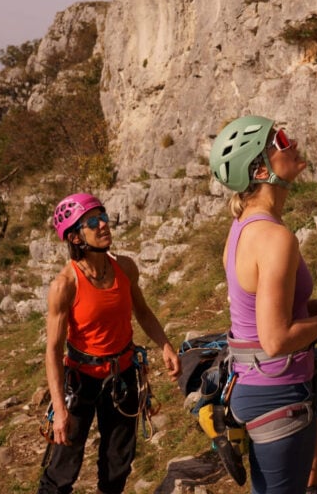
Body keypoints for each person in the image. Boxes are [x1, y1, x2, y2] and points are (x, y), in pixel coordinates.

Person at [209, 116, 317, 494]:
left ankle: (312, 481)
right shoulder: (274, 238)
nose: (291, 141)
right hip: (277, 392)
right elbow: (277, 338)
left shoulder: (244, 226)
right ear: (261, 168)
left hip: (254, 382)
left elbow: (273, 309)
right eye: (280, 139)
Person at [37, 192, 182, 494]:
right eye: (93, 221)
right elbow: (52, 350)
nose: (103, 224)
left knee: (118, 463)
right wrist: (60, 410)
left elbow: (141, 311)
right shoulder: (64, 285)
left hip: (123, 374)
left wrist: (165, 345)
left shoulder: (125, 267)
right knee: (62, 468)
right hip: (80, 380)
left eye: (103, 216)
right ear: (76, 237)